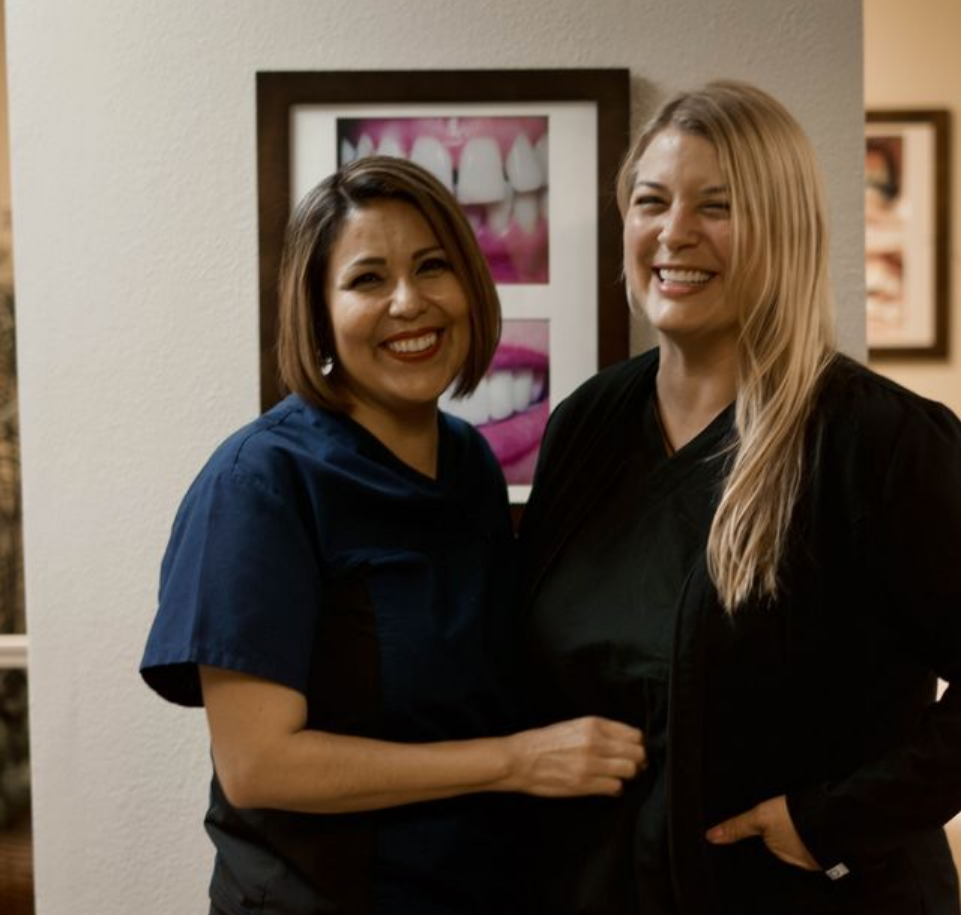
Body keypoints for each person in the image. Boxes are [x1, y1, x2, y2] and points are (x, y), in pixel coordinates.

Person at [518, 81, 961, 915]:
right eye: (651, 201)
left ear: (785, 228)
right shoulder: (585, 428)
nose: (674, 233)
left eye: (718, 205)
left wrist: (830, 824)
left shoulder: (881, 443)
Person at [140, 156, 645, 915]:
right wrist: (513, 763)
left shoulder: (469, 463)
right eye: (368, 279)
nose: (410, 302)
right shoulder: (259, 483)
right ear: (318, 311)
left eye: (432, 267)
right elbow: (259, 766)